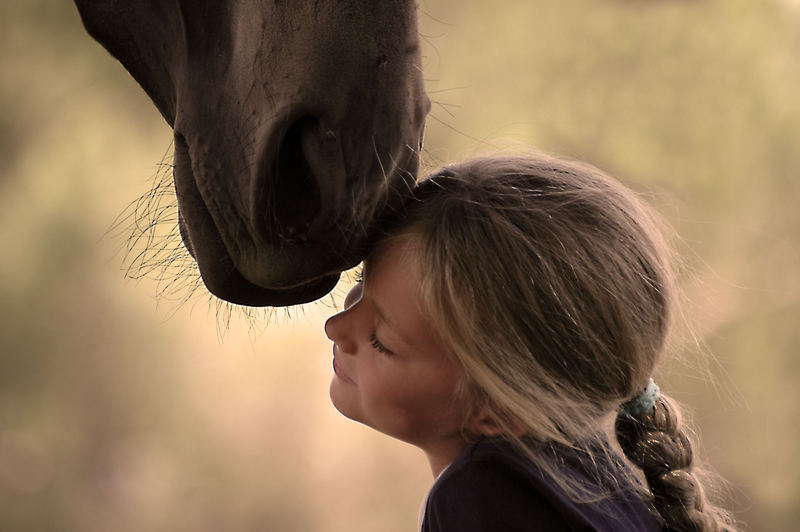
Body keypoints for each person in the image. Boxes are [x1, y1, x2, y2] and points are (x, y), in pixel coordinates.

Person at [324, 153, 738, 531]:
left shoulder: (482, 501)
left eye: (382, 340)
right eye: (361, 285)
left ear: (498, 411)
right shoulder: (589, 477)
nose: (336, 326)